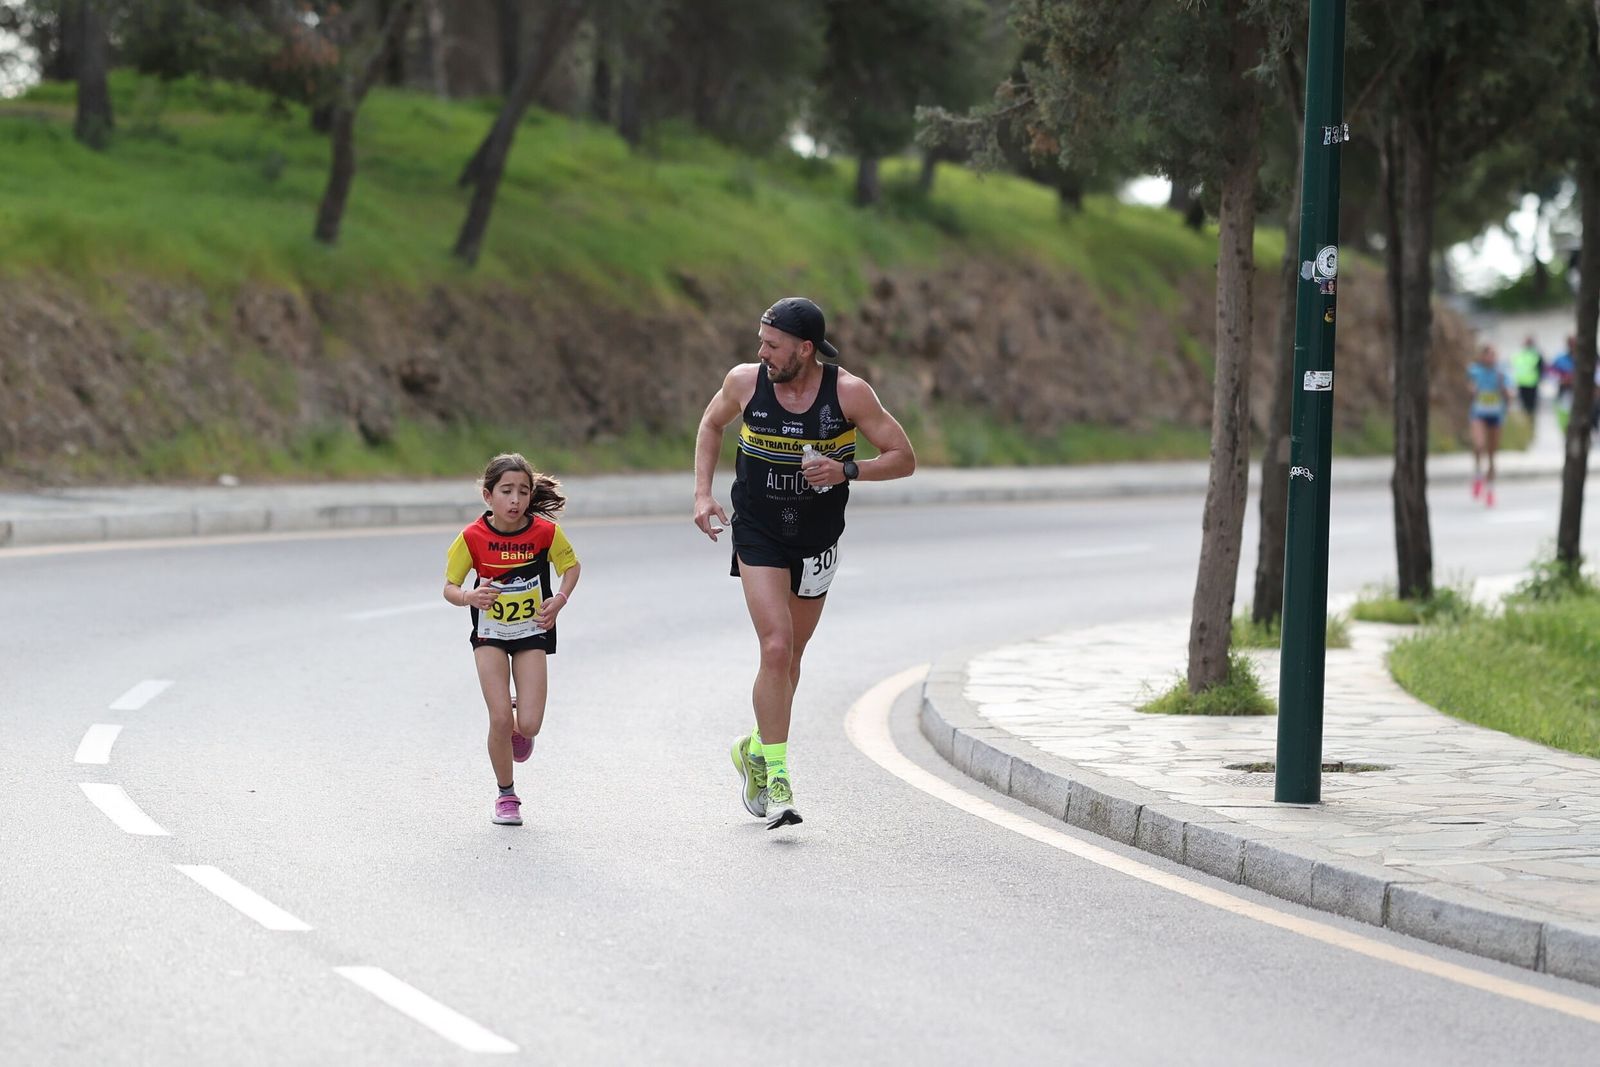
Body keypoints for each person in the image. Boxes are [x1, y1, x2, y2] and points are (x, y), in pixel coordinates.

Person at [693, 297, 916, 829]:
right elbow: (710, 427)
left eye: (772, 344)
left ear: (805, 349)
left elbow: (903, 457)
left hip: (817, 540)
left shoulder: (849, 393)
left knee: (791, 659)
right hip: (759, 531)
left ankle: (753, 748)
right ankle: (778, 779)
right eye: (761, 342)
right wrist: (703, 494)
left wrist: (848, 472)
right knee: (774, 647)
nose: (761, 352)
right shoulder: (746, 383)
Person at [444, 453, 580, 826]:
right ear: (488, 496)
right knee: (500, 717)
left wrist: (560, 600)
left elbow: (571, 567)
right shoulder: (472, 537)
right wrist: (469, 598)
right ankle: (507, 795)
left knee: (529, 724)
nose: (515, 499)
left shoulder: (545, 533)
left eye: (523, 491)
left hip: (532, 632)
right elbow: (450, 588)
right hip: (489, 635)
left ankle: (520, 722)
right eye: (506, 491)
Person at [1468, 345, 1513, 508]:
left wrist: (1504, 389)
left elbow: (1510, 394)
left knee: (1492, 454)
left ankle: (1490, 490)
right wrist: (1472, 390)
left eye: (1493, 355)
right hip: (1479, 414)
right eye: (1487, 355)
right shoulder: (1475, 371)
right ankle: (1478, 474)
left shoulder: (1502, 372)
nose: (1490, 358)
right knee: (1479, 445)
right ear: (1481, 356)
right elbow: (1469, 388)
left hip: (1495, 415)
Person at [1510, 334, 1544, 419]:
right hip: (1522, 383)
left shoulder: (1536, 355)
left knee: (1531, 406)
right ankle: (1527, 421)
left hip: (1532, 384)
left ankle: (1531, 420)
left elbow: (1541, 368)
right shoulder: (1519, 354)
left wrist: (1540, 379)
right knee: (1524, 406)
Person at [1551, 336, 1576, 434]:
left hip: (1582, 392)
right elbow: (1551, 372)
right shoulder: (1561, 358)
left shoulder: (1588, 357)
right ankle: (1566, 432)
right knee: (1564, 413)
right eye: (1570, 343)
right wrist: (1562, 379)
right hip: (1565, 390)